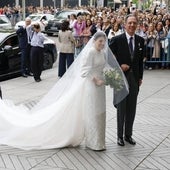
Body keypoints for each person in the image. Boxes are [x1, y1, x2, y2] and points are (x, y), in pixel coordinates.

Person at [0, 31, 128, 150]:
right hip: (92, 86)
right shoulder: (90, 52)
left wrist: (112, 77)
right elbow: (84, 70)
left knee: (100, 112)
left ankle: (100, 141)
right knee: (92, 111)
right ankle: (93, 142)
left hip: (101, 87)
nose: (102, 43)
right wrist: (95, 80)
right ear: (94, 41)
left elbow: (104, 67)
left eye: (104, 41)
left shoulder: (101, 53)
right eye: (100, 41)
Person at [109, 15, 144, 146]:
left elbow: (140, 62)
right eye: (130, 23)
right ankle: (119, 136)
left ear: (137, 25)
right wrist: (119, 66)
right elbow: (108, 59)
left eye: (134, 23)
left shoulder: (141, 40)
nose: (132, 25)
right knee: (121, 108)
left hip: (134, 79)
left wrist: (140, 77)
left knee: (132, 108)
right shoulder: (116, 39)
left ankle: (128, 135)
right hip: (120, 78)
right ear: (125, 24)